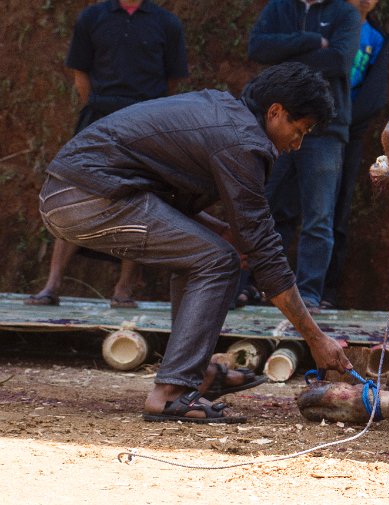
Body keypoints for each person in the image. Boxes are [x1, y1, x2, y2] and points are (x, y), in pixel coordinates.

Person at [37, 62, 353, 423]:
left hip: (74, 192)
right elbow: (265, 251)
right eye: (300, 130)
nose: (297, 145)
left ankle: (193, 374)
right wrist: (315, 338)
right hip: (85, 198)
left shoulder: (225, 114)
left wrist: (221, 232)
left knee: (206, 252)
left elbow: (171, 196)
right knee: (217, 260)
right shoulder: (243, 141)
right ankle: (171, 393)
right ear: (275, 112)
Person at [27, 0, 188, 308]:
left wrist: (147, 115)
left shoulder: (166, 23)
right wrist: (100, 112)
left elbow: (171, 80)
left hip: (146, 122)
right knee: (76, 194)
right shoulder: (92, 17)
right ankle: (51, 285)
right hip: (97, 120)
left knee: (140, 199)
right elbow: (80, 74)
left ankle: (124, 290)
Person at [248, 0, 362, 313]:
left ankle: (309, 295)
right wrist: (309, 41)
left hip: (326, 131)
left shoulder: (346, 13)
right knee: (263, 207)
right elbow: (257, 48)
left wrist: (282, 64)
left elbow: (339, 60)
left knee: (319, 217)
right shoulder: (279, 8)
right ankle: (253, 287)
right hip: (277, 127)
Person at [321, 0, 388, 309]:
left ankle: (326, 289)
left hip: (348, 135)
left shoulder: (376, 39)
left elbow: (374, 96)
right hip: (310, 126)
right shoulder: (326, 25)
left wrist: (347, 123)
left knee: (337, 211)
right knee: (288, 205)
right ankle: (263, 285)